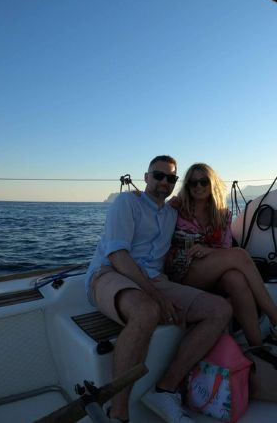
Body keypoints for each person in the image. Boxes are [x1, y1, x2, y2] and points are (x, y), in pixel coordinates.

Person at [85, 155, 232, 423]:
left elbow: (198, 214)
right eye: (158, 175)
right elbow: (118, 255)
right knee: (147, 311)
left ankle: (165, 389)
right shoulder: (127, 202)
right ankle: (118, 412)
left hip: (155, 279)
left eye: (171, 178)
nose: (164, 181)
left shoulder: (173, 213)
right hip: (110, 272)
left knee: (219, 310)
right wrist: (156, 296)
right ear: (146, 177)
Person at [165, 162, 277, 348]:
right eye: (193, 183)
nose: (198, 186)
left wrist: (209, 251)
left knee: (236, 280)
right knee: (240, 255)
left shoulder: (222, 214)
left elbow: (225, 248)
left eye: (204, 181)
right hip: (182, 270)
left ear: (212, 183)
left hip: (210, 270)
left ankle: (256, 346)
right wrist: (139, 196)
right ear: (187, 186)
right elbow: (154, 210)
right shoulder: (177, 207)